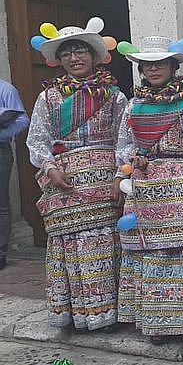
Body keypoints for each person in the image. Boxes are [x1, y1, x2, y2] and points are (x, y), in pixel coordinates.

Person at [114, 36, 183, 344]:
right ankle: (157, 323)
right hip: (145, 186)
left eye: (160, 63)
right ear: (141, 68)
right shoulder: (134, 106)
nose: (154, 68)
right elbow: (123, 147)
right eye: (148, 64)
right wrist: (131, 160)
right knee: (150, 254)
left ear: (174, 65)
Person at [26, 17, 127, 331]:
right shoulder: (48, 98)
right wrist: (50, 168)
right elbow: (37, 139)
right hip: (65, 183)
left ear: (94, 56)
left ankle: (108, 315)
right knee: (71, 244)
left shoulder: (114, 96)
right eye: (68, 53)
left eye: (81, 51)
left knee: (105, 244)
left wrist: (118, 176)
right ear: (59, 60)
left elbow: (124, 137)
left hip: (103, 179)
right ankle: (77, 313)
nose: (75, 58)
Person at [0, 79, 30, 270]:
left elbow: (22, 120)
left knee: (0, 204)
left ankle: (0, 253)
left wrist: (1, 136)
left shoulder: (5, 89)